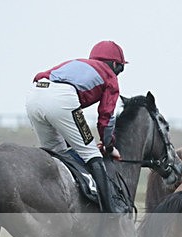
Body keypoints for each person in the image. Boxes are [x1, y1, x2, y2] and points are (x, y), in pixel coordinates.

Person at [26, 40, 129, 214]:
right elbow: (106, 117)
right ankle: (110, 212)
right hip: (61, 99)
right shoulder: (110, 77)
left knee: (57, 155)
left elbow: (39, 76)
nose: (118, 74)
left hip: (34, 95)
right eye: (120, 68)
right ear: (114, 64)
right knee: (92, 154)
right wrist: (108, 145)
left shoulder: (77, 63)